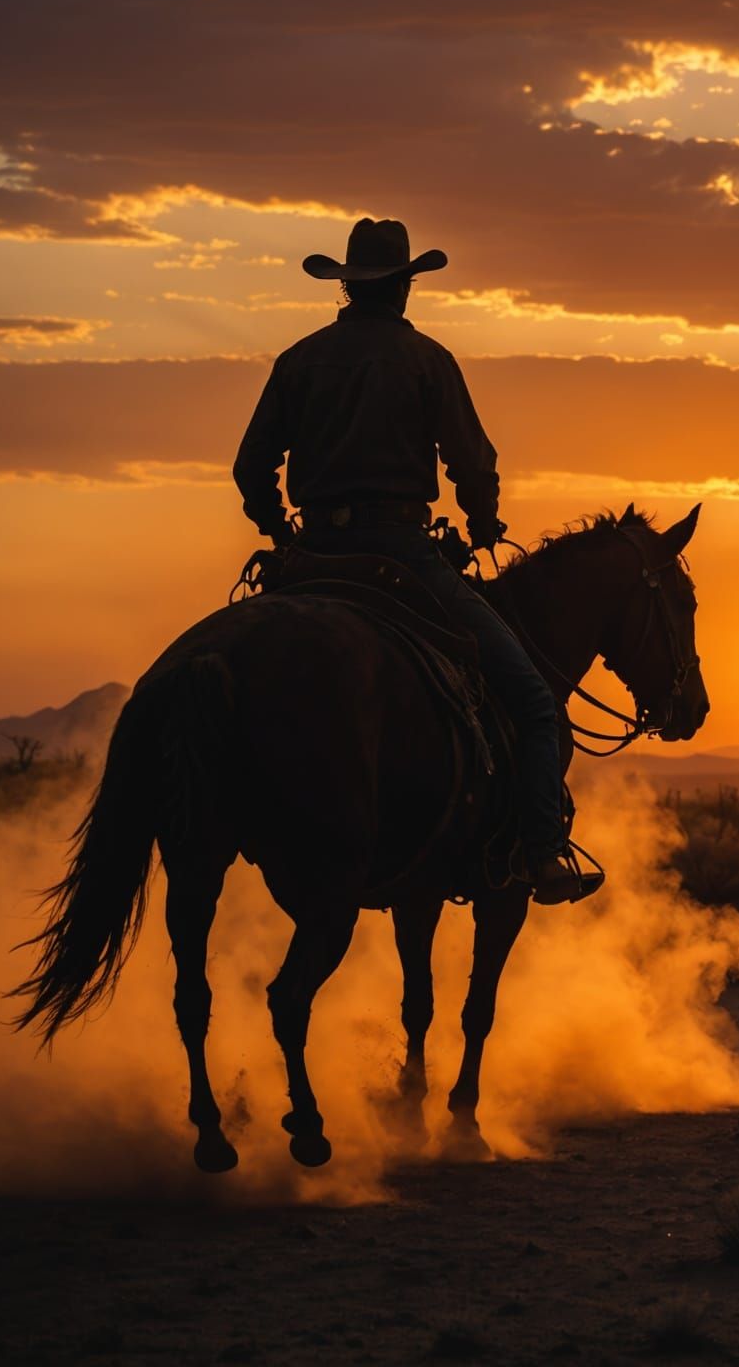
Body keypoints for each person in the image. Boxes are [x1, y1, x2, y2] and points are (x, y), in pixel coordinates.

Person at [233, 216, 596, 904]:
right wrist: (484, 525)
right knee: (533, 702)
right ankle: (542, 853)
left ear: (345, 287)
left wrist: (280, 530)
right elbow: (473, 463)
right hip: (401, 554)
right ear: (403, 290)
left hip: (311, 555)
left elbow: (252, 466)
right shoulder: (427, 361)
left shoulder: (298, 362)